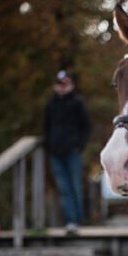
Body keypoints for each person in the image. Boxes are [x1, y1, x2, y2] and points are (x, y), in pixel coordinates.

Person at [44, 70, 91, 234]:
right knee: (63, 188)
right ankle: (70, 220)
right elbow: (46, 127)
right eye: (59, 84)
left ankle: (77, 220)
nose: (61, 88)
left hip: (73, 153)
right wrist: (49, 146)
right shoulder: (51, 104)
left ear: (71, 85)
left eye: (64, 84)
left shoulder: (78, 103)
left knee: (74, 187)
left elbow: (86, 127)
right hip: (55, 153)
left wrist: (79, 146)